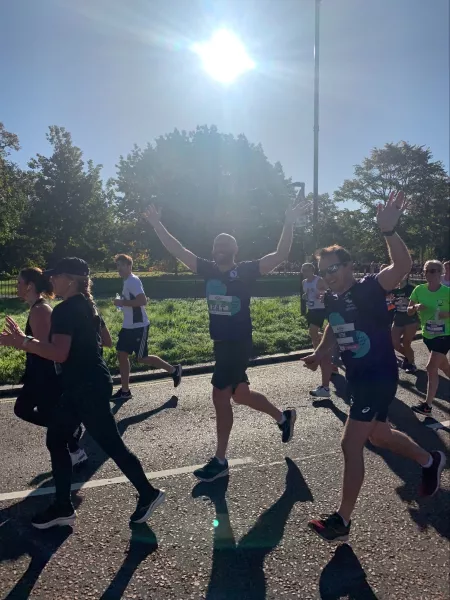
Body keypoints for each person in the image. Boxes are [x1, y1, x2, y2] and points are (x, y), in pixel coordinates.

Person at [303, 191, 445, 542]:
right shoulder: (333, 299)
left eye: (334, 268)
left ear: (349, 266)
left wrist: (388, 232)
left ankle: (342, 521)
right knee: (380, 436)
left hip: (378, 376)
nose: (329, 276)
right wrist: (320, 354)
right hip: (358, 377)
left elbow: (400, 267)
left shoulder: (368, 287)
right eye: (324, 272)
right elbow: (333, 331)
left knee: (351, 444)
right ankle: (430, 461)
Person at [143, 200, 305, 482]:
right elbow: (178, 250)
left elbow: (280, 255)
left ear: (234, 251)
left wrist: (288, 222)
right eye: (217, 244)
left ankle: (220, 460)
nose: (220, 248)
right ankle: (283, 417)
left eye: (225, 245)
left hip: (238, 342)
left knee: (220, 396)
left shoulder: (245, 270)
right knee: (240, 395)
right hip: (221, 343)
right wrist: (157, 224)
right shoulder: (207, 268)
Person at [0, 258, 165, 529]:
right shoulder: (87, 305)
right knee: (56, 438)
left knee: (110, 444)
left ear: (71, 280)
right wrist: (27, 342)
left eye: (56, 277)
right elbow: (104, 342)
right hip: (87, 383)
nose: (51, 281)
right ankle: (63, 507)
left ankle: (148, 493)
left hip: (86, 386)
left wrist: (24, 342)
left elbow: (58, 353)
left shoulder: (66, 309)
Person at [14, 268, 87, 467]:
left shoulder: (40, 310)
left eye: (19, 283)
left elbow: (46, 347)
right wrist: (20, 338)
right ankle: (73, 443)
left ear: (29, 286)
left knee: (24, 409)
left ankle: (72, 436)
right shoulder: (36, 308)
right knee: (29, 410)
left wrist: (20, 341)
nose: (16, 286)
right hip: (38, 374)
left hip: (44, 376)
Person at [111, 254, 182, 401]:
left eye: (122, 265)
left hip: (139, 326)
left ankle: (174, 370)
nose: (119, 268)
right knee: (121, 354)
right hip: (128, 326)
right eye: (117, 265)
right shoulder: (127, 282)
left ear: (129, 266)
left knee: (141, 358)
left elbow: (142, 301)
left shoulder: (133, 281)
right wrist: (122, 302)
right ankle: (125, 391)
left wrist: (122, 303)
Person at [408, 260, 450, 416]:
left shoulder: (447, 292)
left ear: (440, 273)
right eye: (426, 271)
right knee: (444, 367)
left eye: (433, 271)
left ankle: (427, 406)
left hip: (445, 334)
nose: (429, 274)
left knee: (431, 367)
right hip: (428, 335)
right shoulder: (419, 290)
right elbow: (408, 311)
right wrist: (416, 307)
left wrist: (448, 314)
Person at [301, 263, 334, 398]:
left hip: (320, 310)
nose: (304, 272)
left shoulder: (318, 280)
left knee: (312, 331)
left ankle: (318, 353)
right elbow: (307, 294)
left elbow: (328, 291)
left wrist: (321, 294)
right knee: (315, 334)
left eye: (307, 270)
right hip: (312, 310)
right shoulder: (304, 282)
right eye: (303, 270)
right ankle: (322, 345)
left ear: (312, 270)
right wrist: (305, 297)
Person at [391, 274, 419, 373]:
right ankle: (409, 356)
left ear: (406, 276)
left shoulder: (412, 288)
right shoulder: (393, 288)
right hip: (398, 317)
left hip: (410, 318)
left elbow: (418, 303)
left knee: (406, 343)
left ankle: (411, 364)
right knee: (394, 343)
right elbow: (390, 303)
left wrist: (408, 302)